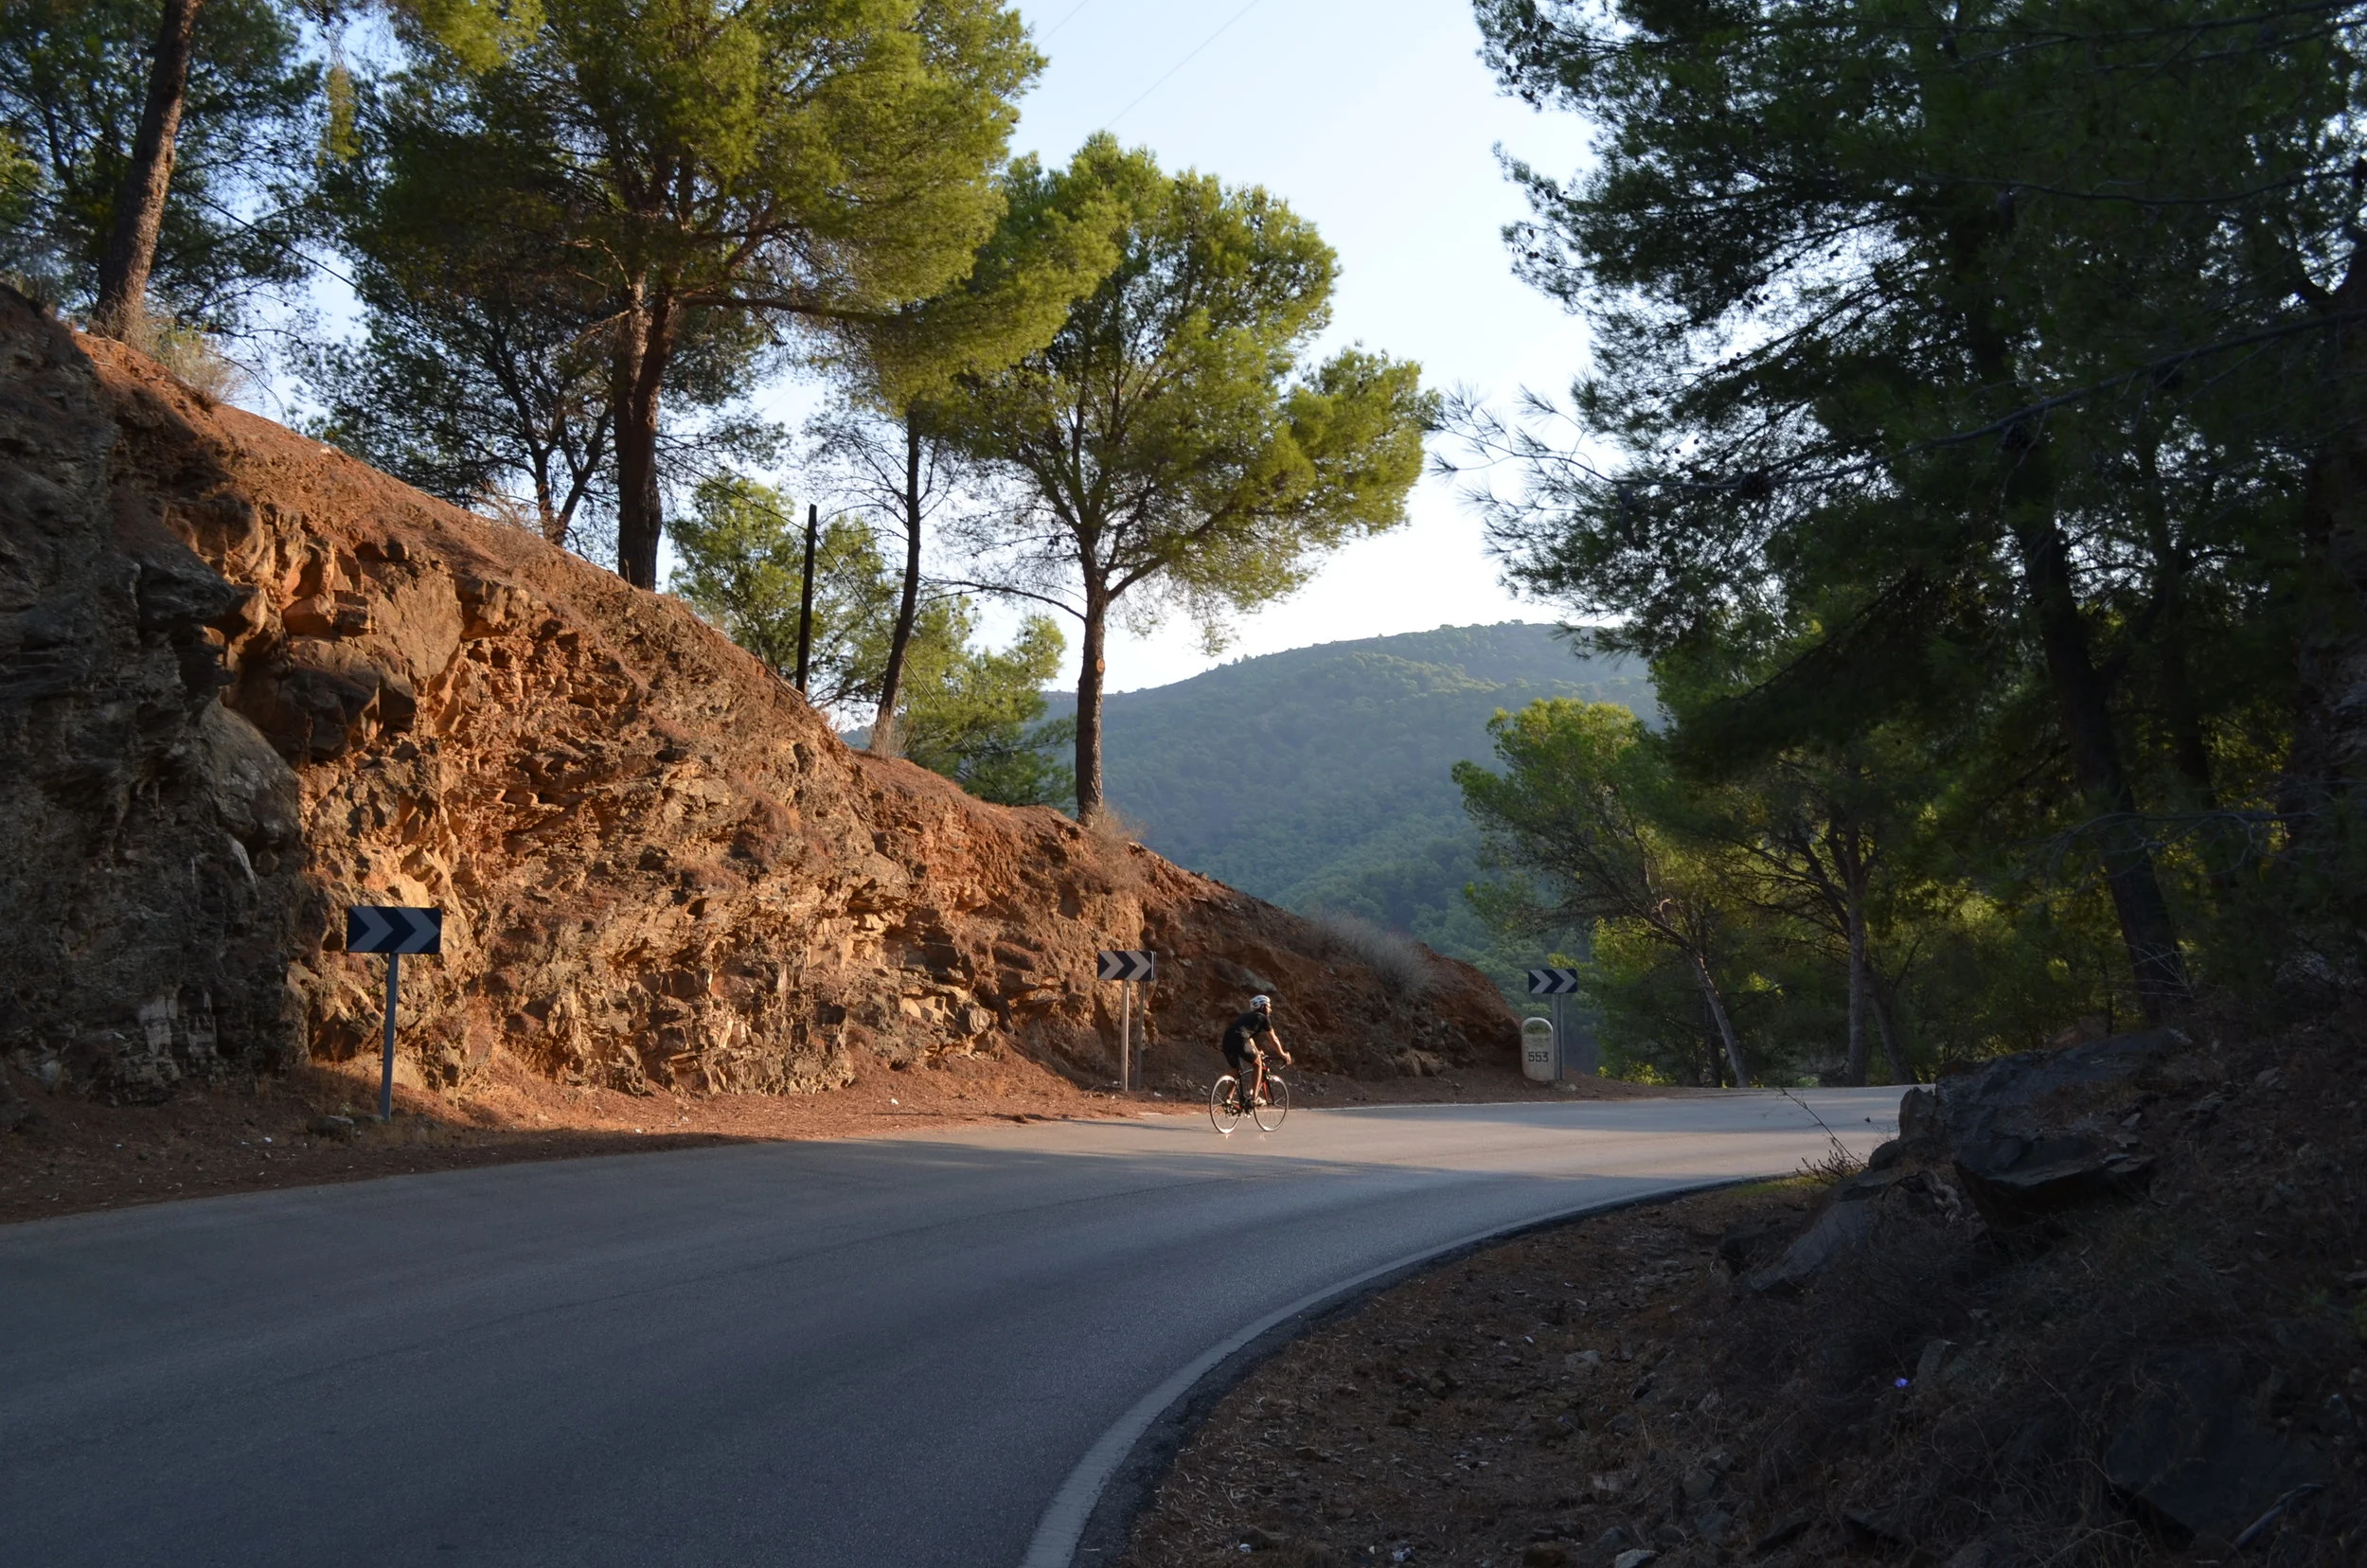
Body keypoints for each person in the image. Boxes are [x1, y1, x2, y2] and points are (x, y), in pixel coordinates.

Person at [1220, 994, 1291, 1109]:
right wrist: (1283, 1054)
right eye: (1269, 1006)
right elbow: (1274, 1039)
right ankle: (1254, 1098)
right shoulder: (1263, 1018)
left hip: (1227, 1040)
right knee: (1258, 1064)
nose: (1270, 1009)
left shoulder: (1246, 1017)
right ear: (1263, 1006)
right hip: (1241, 1040)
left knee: (1236, 1070)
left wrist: (1257, 1051)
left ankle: (1228, 1098)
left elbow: (1248, 1036)